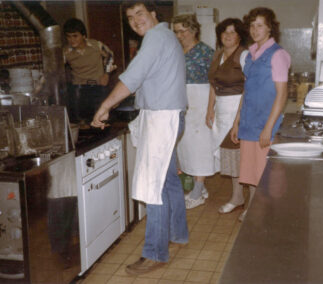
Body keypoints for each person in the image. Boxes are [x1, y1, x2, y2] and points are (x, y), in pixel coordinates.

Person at [91, 1, 188, 274]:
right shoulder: (165, 36)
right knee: (167, 180)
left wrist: (105, 106)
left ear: (154, 14)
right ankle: (178, 234)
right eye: (130, 17)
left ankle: (155, 253)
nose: (135, 20)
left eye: (140, 14)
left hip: (162, 119)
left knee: (152, 185)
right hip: (168, 116)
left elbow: (132, 78)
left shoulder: (156, 37)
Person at [231, 7, 291, 221]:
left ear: (269, 28)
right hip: (249, 123)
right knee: (251, 172)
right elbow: (246, 91)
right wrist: (237, 121)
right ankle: (254, 209)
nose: (255, 30)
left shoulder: (278, 55)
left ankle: (267, 215)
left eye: (260, 25)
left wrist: (268, 127)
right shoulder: (250, 55)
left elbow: (282, 94)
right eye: (252, 25)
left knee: (266, 174)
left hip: (266, 125)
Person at [205, 18, 249, 215]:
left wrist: (239, 118)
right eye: (224, 32)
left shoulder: (245, 55)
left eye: (232, 32)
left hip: (239, 108)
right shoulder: (218, 55)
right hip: (222, 110)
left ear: (240, 35)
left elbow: (249, 87)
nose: (228, 35)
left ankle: (253, 204)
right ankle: (237, 197)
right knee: (231, 157)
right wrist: (209, 109)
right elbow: (213, 84)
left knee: (246, 158)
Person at [172, 14, 216, 209]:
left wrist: (210, 109)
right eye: (176, 32)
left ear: (194, 30)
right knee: (186, 145)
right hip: (182, 100)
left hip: (201, 98)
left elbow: (216, 82)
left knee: (200, 146)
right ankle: (200, 187)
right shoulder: (177, 51)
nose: (180, 35)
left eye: (183, 31)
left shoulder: (206, 52)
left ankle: (197, 192)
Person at [63, 18, 116, 123]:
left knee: (102, 120)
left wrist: (106, 74)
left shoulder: (96, 45)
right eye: (68, 36)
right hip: (79, 89)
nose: (72, 40)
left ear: (83, 36)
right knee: (82, 122)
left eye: (75, 36)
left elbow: (110, 55)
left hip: (99, 87)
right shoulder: (65, 52)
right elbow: (55, 69)